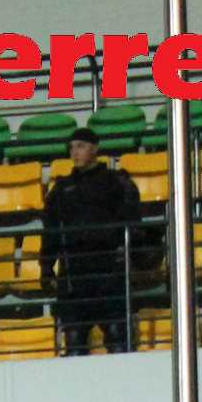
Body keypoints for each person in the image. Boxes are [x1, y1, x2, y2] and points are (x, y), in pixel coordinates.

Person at [41, 125, 143, 354]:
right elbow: (51, 231)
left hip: (109, 270)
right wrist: (46, 267)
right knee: (74, 342)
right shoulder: (61, 189)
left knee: (118, 338)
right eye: (71, 148)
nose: (75, 152)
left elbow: (132, 224)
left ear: (95, 148)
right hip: (75, 274)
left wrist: (130, 258)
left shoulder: (116, 183)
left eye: (81, 146)